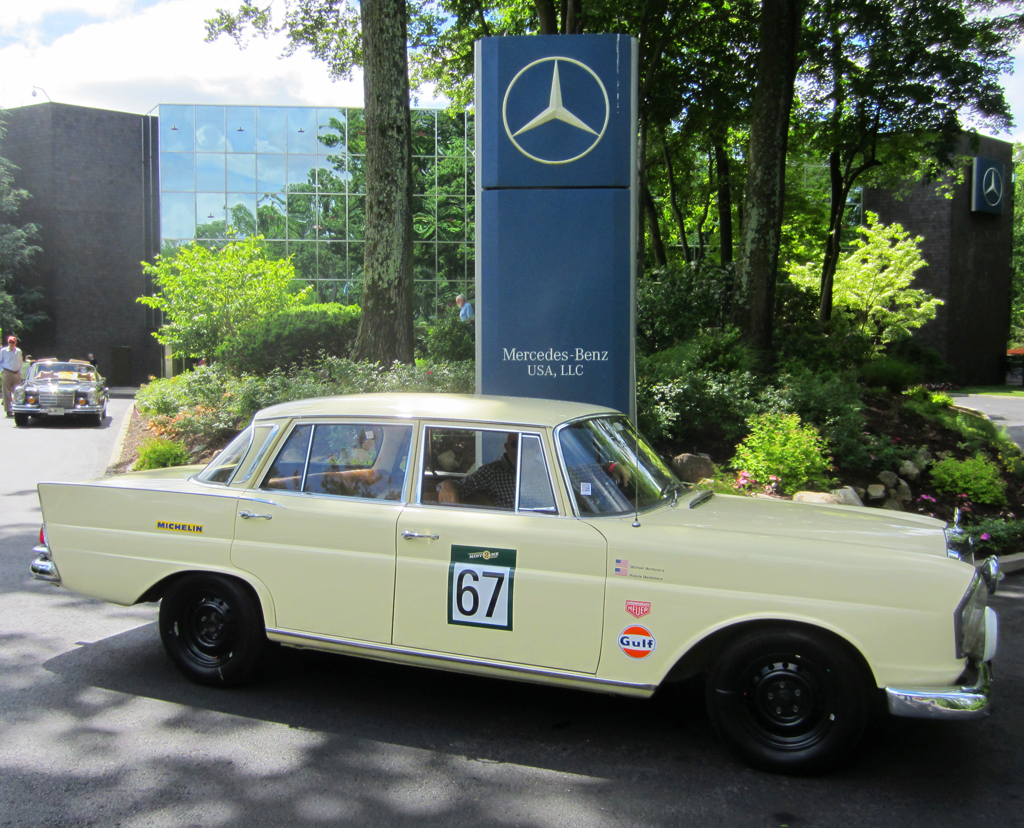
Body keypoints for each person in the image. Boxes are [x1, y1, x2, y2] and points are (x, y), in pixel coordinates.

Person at [438, 433, 516, 509]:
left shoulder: (527, 473)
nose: (521, 449)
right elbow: (458, 486)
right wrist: (447, 484)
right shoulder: (493, 472)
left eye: (526, 444)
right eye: (515, 445)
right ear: (507, 447)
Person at [1, 335, 24, 417]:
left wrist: (20, 372)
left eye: (13, 342)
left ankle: (17, 408)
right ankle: (8, 410)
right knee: (6, 392)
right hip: (7, 372)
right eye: (10, 342)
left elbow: (20, 362)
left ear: (16, 342)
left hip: (16, 373)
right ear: (8, 342)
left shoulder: (19, 351)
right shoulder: (4, 351)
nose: (11, 344)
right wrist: (2, 371)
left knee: (17, 391)